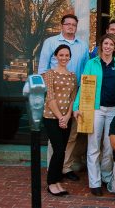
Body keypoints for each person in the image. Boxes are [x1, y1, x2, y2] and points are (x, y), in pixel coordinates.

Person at [73, 34, 115, 196]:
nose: (108, 47)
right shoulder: (92, 63)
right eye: (105, 43)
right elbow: (83, 87)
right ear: (100, 46)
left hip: (114, 111)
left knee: (110, 147)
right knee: (93, 147)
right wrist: (77, 106)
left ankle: (106, 177)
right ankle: (94, 181)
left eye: (111, 44)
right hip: (95, 110)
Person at [39, 14, 88, 182]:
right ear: (62, 25)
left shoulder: (82, 46)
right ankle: (53, 169)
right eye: (67, 24)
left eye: (73, 24)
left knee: (71, 135)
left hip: (75, 95)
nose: (70, 26)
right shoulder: (50, 43)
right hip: (55, 97)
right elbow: (42, 70)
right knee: (56, 139)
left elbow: (85, 71)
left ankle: (66, 167)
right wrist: (49, 95)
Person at [42, 45, 78, 196]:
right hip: (51, 117)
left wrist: (68, 116)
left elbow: (72, 99)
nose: (64, 58)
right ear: (56, 56)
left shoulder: (72, 75)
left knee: (62, 150)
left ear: (70, 57)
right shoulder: (49, 74)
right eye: (61, 55)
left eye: (67, 55)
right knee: (57, 150)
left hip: (66, 118)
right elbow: (50, 97)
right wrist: (60, 117)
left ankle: (57, 181)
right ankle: (51, 183)